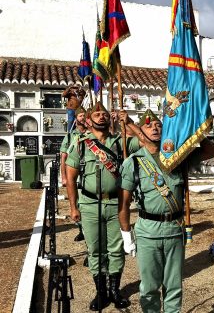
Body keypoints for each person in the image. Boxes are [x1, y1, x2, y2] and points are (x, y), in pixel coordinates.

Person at [118, 109, 214, 313]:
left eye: (158, 125)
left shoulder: (177, 158)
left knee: (174, 286)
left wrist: (188, 127)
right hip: (148, 231)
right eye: (148, 125)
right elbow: (124, 202)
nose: (155, 127)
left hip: (174, 229)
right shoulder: (133, 163)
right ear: (140, 132)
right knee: (149, 287)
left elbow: (210, 151)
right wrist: (126, 235)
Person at [64, 102, 140, 311]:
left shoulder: (121, 141)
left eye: (104, 114)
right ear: (88, 120)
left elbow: (145, 143)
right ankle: (101, 291)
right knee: (96, 250)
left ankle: (115, 290)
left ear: (110, 118)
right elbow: (71, 178)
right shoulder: (81, 144)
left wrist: (130, 122)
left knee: (116, 249)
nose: (101, 116)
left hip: (117, 204)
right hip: (89, 204)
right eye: (96, 114)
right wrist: (73, 207)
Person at [60, 106, 88, 241]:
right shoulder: (71, 136)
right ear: (76, 118)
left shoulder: (92, 133)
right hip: (74, 175)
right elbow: (64, 157)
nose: (83, 117)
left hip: (88, 174)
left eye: (85, 115)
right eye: (80, 115)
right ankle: (81, 229)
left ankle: (87, 229)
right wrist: (64, 177)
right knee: (76, 203)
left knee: (86, 203)